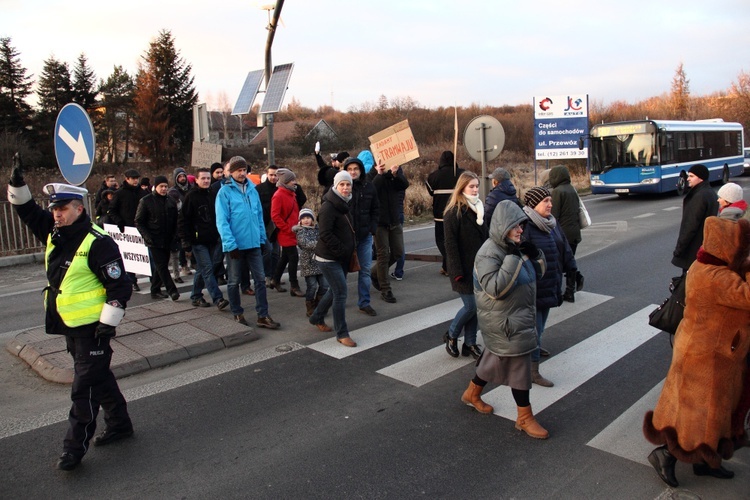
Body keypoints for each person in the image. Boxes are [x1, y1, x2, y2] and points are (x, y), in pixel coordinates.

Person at [7, 163, 134, 471]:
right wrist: (17, 185)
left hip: (94, 329)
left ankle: (73, 449)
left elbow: (119, 284)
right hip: (69, 325)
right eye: (54, 210)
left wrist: (108, 323)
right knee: (98, 378)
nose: (56, 214)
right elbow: (26, 212)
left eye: (62, 209)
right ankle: (119, 423)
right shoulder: (56, 233)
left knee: (84, 389)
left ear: (79, 208)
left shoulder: (98, 241)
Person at [643, 216, 750, 488]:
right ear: (726, 245)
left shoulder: (704, 265)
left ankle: (706, 460)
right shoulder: (717, 277)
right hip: (705, 355)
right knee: (696, 413)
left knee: (708, 411)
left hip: (705, 351)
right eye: (741, 245)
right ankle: (665, 455)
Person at [461, 200, 549, 439]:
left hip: (514, 319)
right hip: (505, 323)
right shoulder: (488, 253)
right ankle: (524, 417)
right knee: (520, 367)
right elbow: (495, 288)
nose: (521, 230)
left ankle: (472, 392)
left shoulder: (514, 247)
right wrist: (515, 258)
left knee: (494, 360)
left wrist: (535, 254)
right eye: (516, 226)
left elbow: (538, 273)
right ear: (502, 226)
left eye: (522, 225)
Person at [215, 156, 280, 329]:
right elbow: (222, 222)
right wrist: (230, 245)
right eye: (239, 170)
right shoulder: (225, 192)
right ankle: (237, 312)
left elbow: (258, 217)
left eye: (244, 170)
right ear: (231, 172)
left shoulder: (252, 189)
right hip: (235, 246)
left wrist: (262, 239)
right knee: (234, 281)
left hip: (253, 244)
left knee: (259, 280)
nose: (242, 173)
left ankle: (263, 315)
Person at [522, 186, 577, 385]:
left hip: (550, 283)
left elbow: (564, 248)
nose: (550, 204)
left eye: (550, 200)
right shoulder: (525, 226)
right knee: (534, 329)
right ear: (533, 204)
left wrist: (573, 270)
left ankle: (533, 352)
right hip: (534, 287)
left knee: (541, 327)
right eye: (545, 201)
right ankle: (532, 370)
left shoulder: (552, 223)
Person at [443, 172, 487, 359]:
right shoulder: (454, 212)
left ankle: (470, 343)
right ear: (462, 188)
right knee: (471, 306)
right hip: (462, 269)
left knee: (476, 307)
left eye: (477, 186)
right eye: (471, 186)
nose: (476, 189)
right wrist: (457, 271)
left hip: (480, 268)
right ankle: (452, 335)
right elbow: (450, 244)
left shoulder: (480, 208)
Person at [309, 171, 356, 345]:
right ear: (335, 186)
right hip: (329, 259)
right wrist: (343, 250)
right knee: (341, 293)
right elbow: (325, 234)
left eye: (348, 184)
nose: (345, 187)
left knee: (334, 290)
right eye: (342, 184)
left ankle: (316, 317)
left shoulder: (344, 203)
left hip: (341, 257)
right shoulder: (328, 206)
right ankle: (342, 333)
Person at [178, 168, 229, 310]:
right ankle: (218, 298)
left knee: (204, 268)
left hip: (213, 238)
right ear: (196, 180)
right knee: (207, 269)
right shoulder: (191, 196)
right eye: (203, 178)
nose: (206, 181)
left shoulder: (214, 194)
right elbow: (183, 220)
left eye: (208, 178)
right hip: (198, 241)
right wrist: (186, 242)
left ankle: (195, 295)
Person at [135, 176, 180, 301]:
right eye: (161, 186)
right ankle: (172, 290)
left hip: (167, 239)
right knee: (161, 266)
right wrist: (147, 237)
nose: (164, 189)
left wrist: (175, 236)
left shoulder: (170, 200)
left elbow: (175, 220)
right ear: (156, 187)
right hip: (154, 239)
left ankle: (155, 290)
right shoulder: (146, 201)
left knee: (162, 265)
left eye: (166, 186)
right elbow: (139, 221)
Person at [344, 156, 380, 316]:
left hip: (364, 236)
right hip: (345, 238)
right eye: (350, 169)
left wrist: (372, 228)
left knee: (365, 270)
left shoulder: (369, 187)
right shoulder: (341, 187)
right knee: (341, 272)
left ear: (361, 170)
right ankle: (338, 300)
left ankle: (364, 302)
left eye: (356, 169)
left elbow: (376, 209)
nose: (353, 172)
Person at [369, 162, 409, 303]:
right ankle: (385, 289)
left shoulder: (395, 171)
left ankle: (374, 273)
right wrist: (379, 174)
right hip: (380, 223)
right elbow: (372, 189)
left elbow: (404, 184)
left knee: (398, 252)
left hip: (395, 220)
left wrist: (395, 173)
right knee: (383, 255)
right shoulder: (373, 174)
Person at [671, 164, 719, 274]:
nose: (688, 179)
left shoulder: (699, 196)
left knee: (688, 285)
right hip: (703, 247)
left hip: (693, 251)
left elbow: (690, 226)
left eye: (691, 176)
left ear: (700, 178)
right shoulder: (710, 193)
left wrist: (679, 249)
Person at [548, 165, 584, 302]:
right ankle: (571, 290)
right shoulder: (572, 189)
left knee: (558, 264)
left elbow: (553, 215)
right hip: (574, 232)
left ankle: (559, 292)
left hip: (563, 233)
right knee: (569, 260)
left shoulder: (557, 192)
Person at [426, 151, 464, 275]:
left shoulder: (433, 177)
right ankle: (446, 266)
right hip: (458, 213)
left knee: (442, 241)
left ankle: (450, 265)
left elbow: (431, 192)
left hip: (440, 215)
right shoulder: (462, 175)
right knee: (455, 240)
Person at [109, 168, 144, 291]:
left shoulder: (142, 193)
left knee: (147, 256)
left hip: (143, 228)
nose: (135, 181)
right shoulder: (120, 193)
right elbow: (112, 210)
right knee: (132, 257)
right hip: (128, 229)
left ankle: (155, 281)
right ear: (127, 179)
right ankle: (132, 281)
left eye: (137, 178)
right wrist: (119, 222)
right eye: (133, 178)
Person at [270, 167, 304, 296]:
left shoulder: (291, 193)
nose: (294, 182)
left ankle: (275, 279)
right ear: (286, 181)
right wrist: (287, 228)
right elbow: (275, 216)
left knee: (284, 258)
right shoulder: (278, 195)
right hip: (286, 232)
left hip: (293, 231)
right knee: (293, 258)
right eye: (292, 180)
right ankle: (294, 286)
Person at [293, 208, 330, 319]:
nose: (306, 220)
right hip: (308, 262)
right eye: (303, 218)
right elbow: (305, 244)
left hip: (320, 260)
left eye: (308, 217)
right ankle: (310, 306)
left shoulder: (317, 229)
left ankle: (319, 304)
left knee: (324, 285)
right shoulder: (300, 231)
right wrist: (321, 244)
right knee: (312, 286)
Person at [168, 167, 193, 282]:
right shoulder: (173, 192)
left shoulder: (191, 188)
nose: (182, 179)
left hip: (190, 218)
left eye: (184, 176)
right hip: (178, 221)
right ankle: (183, 265)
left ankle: (192, 262)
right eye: (180, 177)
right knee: (181, 246)